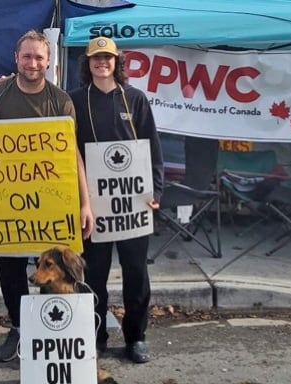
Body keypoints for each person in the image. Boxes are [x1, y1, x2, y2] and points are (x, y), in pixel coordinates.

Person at [0, 30, 94, 362]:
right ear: (16, 58)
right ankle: (18, 329)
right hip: (8, 208)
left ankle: (50, 330)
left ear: (48, 60)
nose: (33, 63)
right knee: (10, 273)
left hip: (52, 204)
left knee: (53, 271)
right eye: (27, 56)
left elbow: (72, 154)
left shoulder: (61, 101)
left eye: (39, 57)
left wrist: (85, 203)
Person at [69, 36, 164, 364]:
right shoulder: (75, 101)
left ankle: (136, 337)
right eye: (96, 58)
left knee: (136, 273)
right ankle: (95, 336)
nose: (102, 63)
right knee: (94, 275)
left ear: (117, 62)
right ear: (88, 63)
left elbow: (152, 146)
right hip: (94, 205)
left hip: (133, 203)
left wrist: (158, 191)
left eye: (108, 58)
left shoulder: (135, 99)